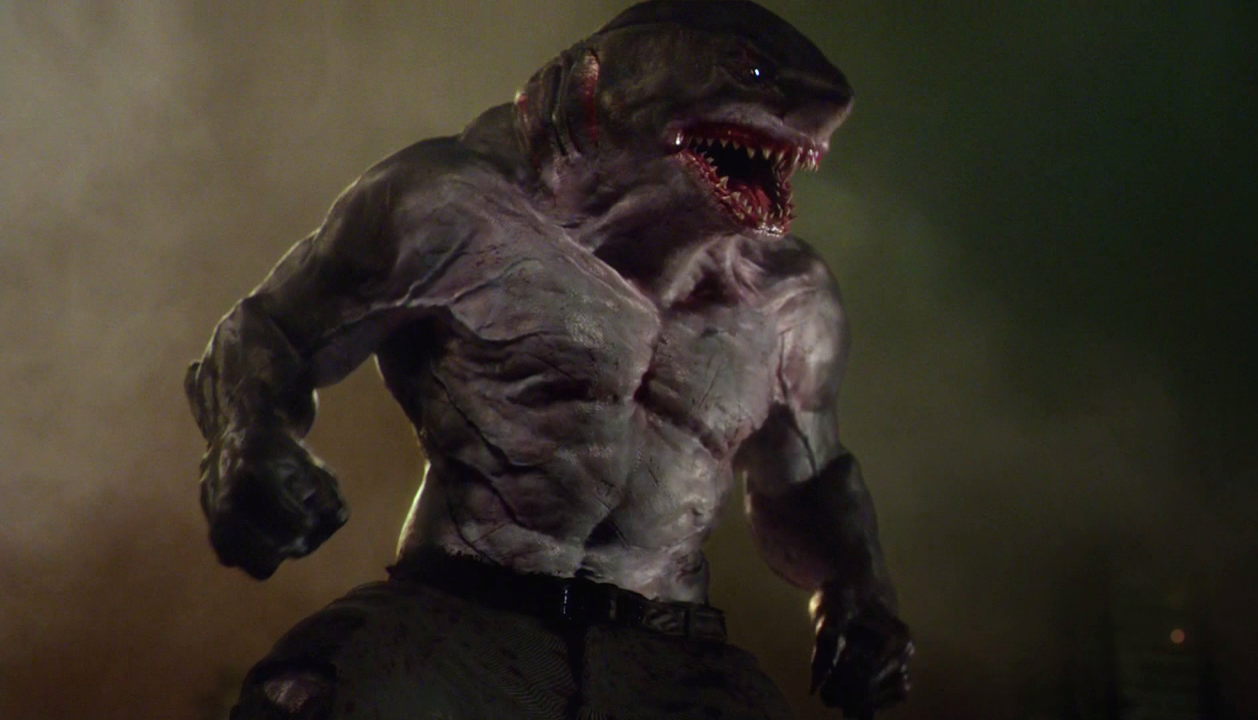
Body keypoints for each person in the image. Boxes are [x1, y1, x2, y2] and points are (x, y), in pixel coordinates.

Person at [184, 2, 912, 718]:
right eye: (749, 75)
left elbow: (806, 479)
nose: (819, 112)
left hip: (670, 655)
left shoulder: (789, 301)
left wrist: (858, 585)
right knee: (312, 699)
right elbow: (271, 332)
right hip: (457, 622)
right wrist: (250, 437)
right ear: (607, 76)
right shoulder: (452, 206)